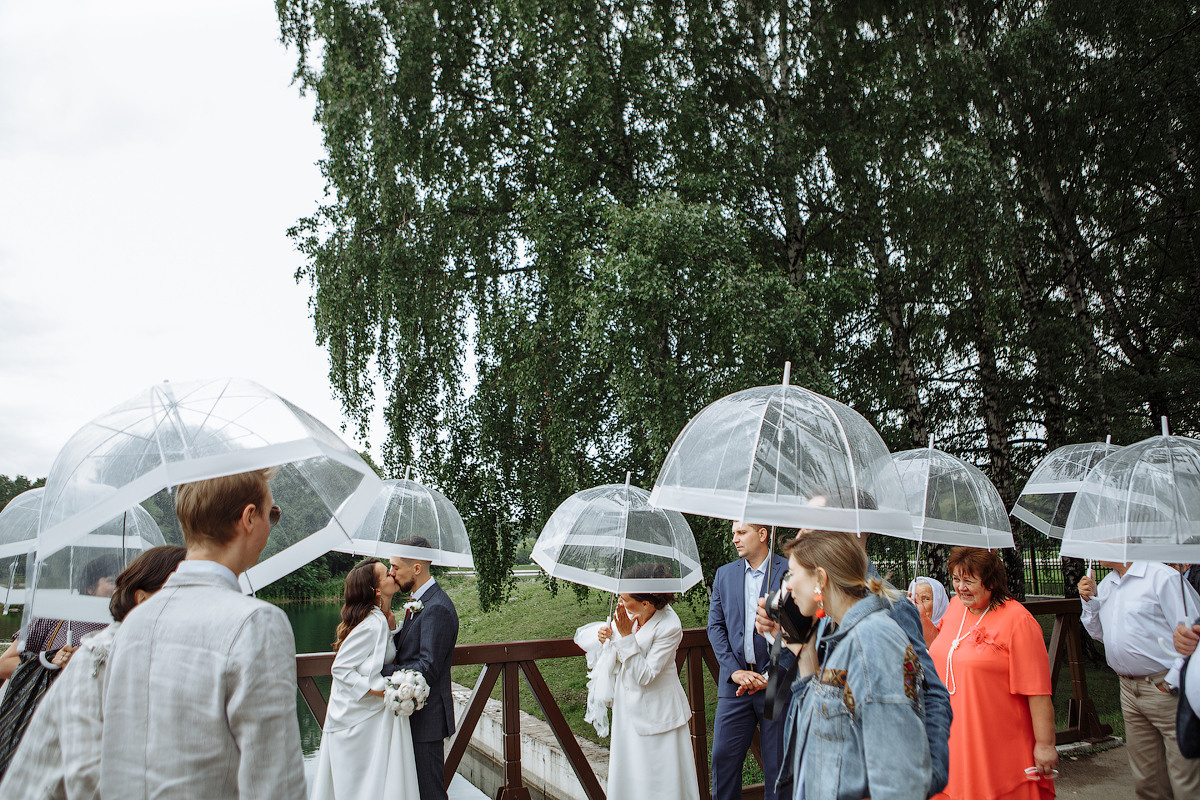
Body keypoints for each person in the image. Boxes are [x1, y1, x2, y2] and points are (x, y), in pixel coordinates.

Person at [99, 469, 307, 799]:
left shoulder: (133, 624)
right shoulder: (256, 623)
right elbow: (274, 780)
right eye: (272, 513)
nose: (271, 525)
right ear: (249, 518)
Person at [757, 530, 952, 797]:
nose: (786, 587)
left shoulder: (873, 639)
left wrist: (932, 776)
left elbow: (898, 780)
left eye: (792, 573)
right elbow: (825, 727)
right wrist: (804, 652)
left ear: (821, 579)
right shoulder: (842, 630)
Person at [0, 545, 187, 800]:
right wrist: (52, 661)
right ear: (90, 588)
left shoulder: (123, 630)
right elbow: (4, 663)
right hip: (37, 724)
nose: (118, 584)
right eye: (111, 579)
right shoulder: (57, 618)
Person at [928, 547, 1057, 800]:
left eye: (968, 581)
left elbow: (1038, 691)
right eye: (956, 579)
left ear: (990, 582)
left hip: (996, 739)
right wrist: (920, 620)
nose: (960, 587)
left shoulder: (1018, 620)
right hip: (953, 733)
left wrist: (1045, 745)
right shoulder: (955, 606)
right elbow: (945, 648)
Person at [1079, 561, 1200, 798]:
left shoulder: (1162, 577)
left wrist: (1170, 682)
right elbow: (1100, 634)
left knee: (1186, 778)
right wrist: (1090, 602)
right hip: (1128, 689)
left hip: (1166, 687)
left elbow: (1193, 632)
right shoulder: (1107, 584)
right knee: (1147, 780)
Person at [311, 559, 419, 799]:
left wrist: (392, 630)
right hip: (354, 719)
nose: (393, 574)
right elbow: (340, 668)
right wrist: (377, 689)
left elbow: (374, 656)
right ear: (377, 590)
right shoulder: (371, 624)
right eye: (386, 574)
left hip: (368, 717)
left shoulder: (379, 620)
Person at [597, 563, 700, 799]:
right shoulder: (630, 616)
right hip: (627, 711)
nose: (620, 603)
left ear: (645, 602)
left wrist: (623, 637)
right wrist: (607, 638)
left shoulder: (670, 626)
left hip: (658, 714)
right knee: (630, 777)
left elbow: (645, 675)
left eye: (624, 598)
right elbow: (615, 654)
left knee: (659, 782)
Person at [708, 521, 790, 800]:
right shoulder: (724, 575)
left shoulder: (791, 572)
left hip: (775, 685)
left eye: (741, 532)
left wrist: (768, 676)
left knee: (777, 765)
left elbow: (799, 632)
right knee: (723, 759)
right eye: (733, 533)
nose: (735, 539)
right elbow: (715, 628)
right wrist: (734, 672)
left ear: (762, 534)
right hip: (736, 685)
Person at [382, 537, 459, 800]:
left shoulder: (437, 607)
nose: (391, 572)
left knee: (430, 794)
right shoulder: (418, 601)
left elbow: (426, 668)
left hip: (427, 720)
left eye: (395, 566)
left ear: (417, 568)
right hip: (414, 715)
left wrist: (380, 676)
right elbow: (410, 650)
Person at [908, 576, 950, 648]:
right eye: (913, 598)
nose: (917, 604)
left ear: (939, 602)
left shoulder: (951, 632)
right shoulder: (902, 628)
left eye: (926, 599)